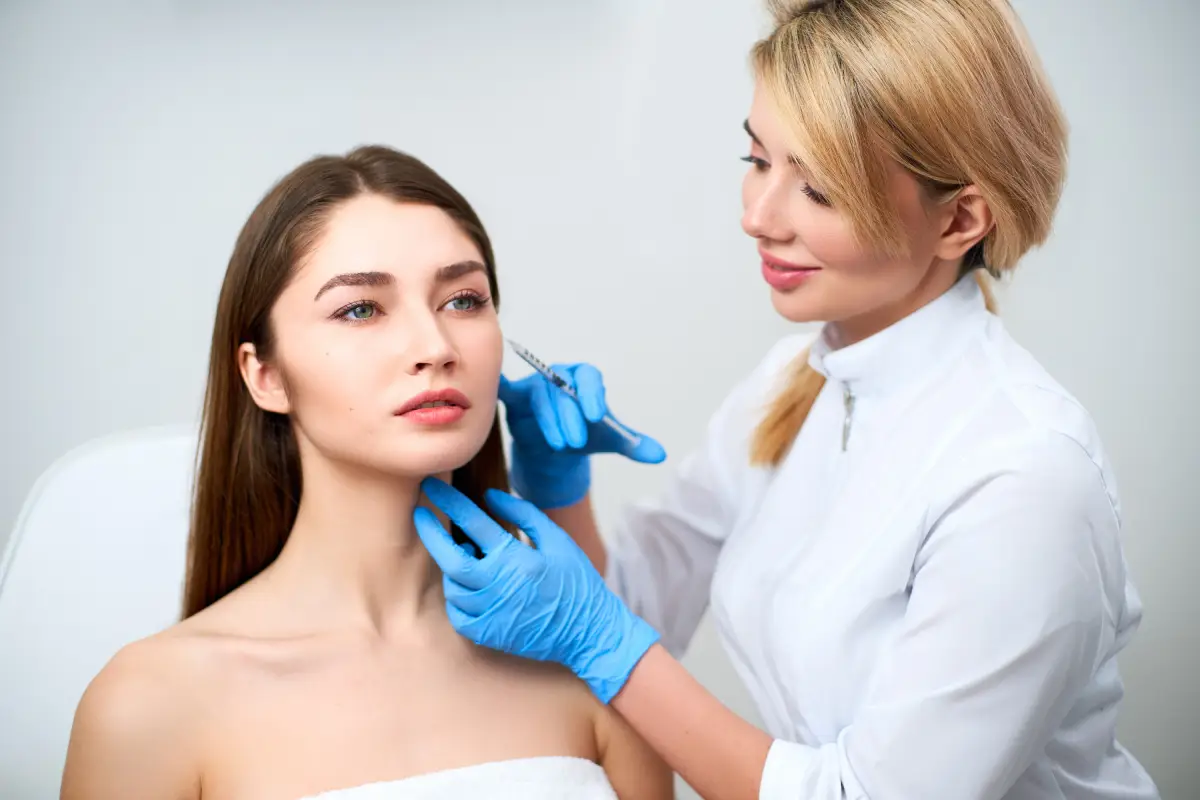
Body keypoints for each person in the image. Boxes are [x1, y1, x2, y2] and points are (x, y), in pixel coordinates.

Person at [412, 2, 1161, 799]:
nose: (756, 217)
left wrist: (594, 636)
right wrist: (559, 488)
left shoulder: (1023, 477)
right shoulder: (794, 382)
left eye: (820, 189)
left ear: (960, 219)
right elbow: (636, 612)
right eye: (757, 157)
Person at [59, 145, 673, 800]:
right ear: (264, 375)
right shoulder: (147, 707)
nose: (435, 348)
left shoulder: (590, 658)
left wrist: (566, 515)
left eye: (464, 300)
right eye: (361, 309)